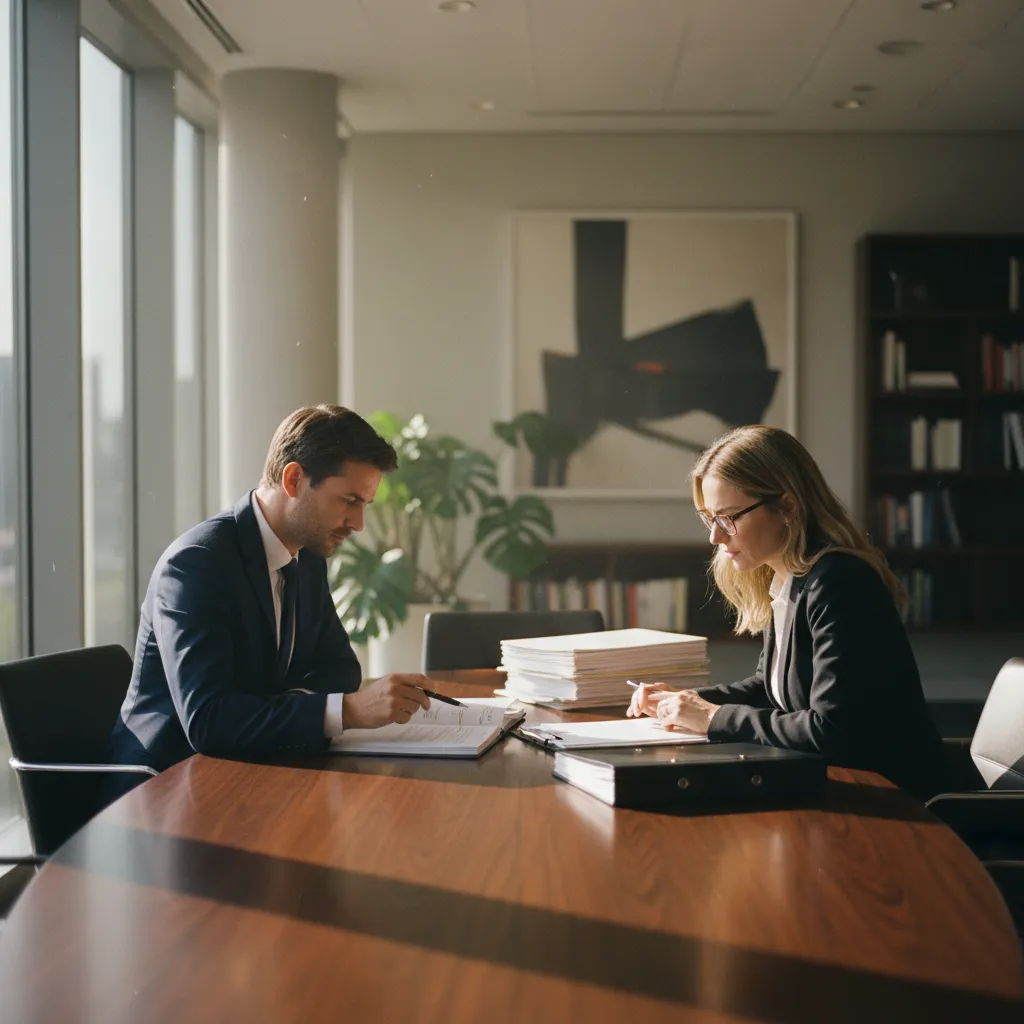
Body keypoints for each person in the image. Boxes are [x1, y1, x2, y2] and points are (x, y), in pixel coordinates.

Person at [108, 404, 434, 778]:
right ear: (293, 480)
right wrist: (347, 711)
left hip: (248, 768)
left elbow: (340, 668)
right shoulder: (197, 565)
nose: (358, 524)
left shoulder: (307, 557)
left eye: (365, 504)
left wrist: (275, 709)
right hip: (161, 789)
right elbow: (209, 721)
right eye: (350, 501)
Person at [627, 425, 950, 801]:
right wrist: (683, 702)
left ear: (788, 506)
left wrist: (713, 717)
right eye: (709, 518)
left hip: (897, 804)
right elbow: (771, 687)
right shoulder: (788, 577)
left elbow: (833, 731)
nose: (715, 537)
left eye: (729, 517)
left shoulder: (840, 582)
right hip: (836, 788)